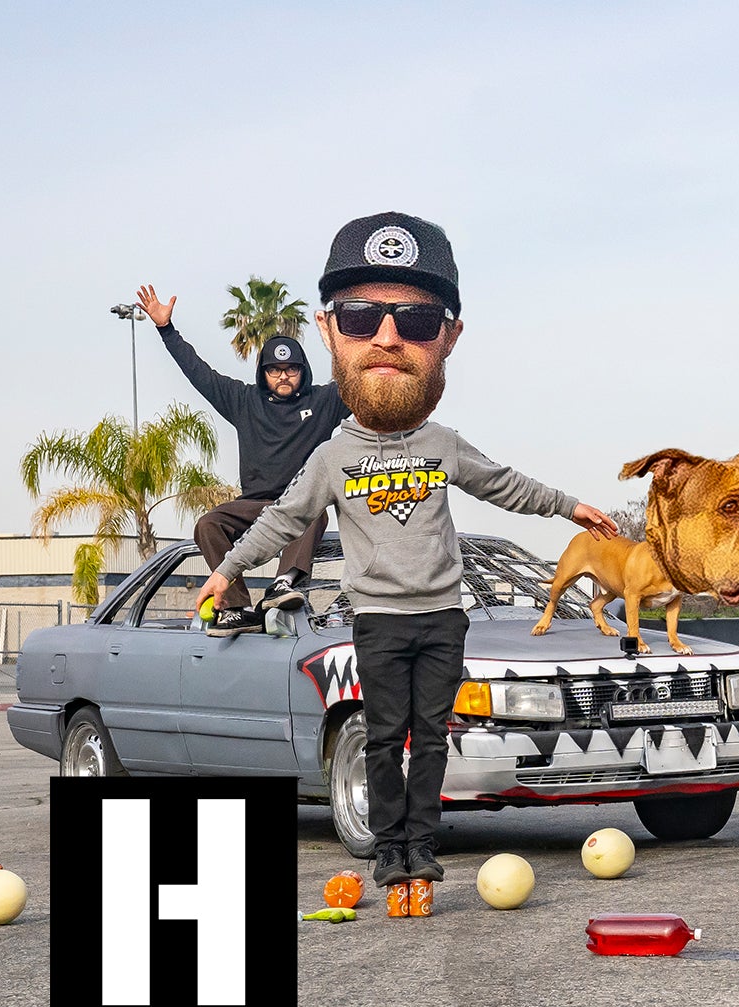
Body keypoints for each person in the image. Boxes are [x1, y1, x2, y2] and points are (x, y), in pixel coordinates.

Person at [197, 211, 619, 889]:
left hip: (442, 618)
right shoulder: (334, 456)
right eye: (362, 317)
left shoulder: (442, 443)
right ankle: (388, 849)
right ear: (330, 330)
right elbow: (282, 519)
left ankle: (422, 845)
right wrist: (226, 570)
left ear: (448, 337)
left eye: (417, 323)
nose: (389, 337)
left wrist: (570, 506)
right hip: (380, 622)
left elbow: (503, 484)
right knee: (385, 740)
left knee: (432, 743)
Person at [136, 285, 351, 636]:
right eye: (275, 369)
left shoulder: (324, 401)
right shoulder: (243, 400)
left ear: (303, 371)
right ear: (264, 373)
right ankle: (236, 606)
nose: (283, 375)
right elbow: (199, 373)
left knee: (314, 510)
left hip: (298, 505)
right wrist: (166, 330)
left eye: (291, 369)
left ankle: (285, 584)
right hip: (254, 505)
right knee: (207, 524)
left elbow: (363, 382)